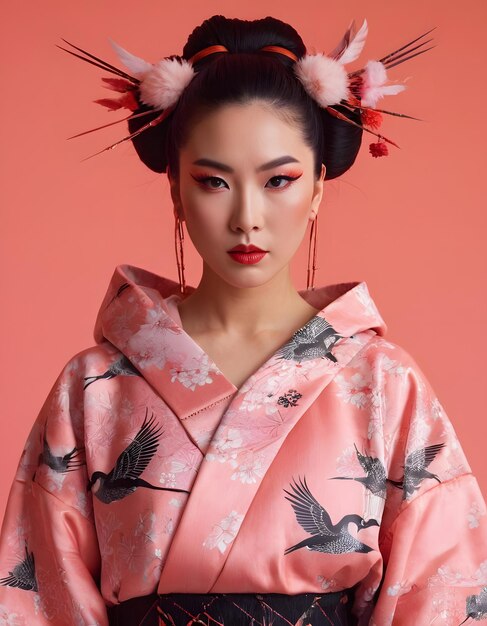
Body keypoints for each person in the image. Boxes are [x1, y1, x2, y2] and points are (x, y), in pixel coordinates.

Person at [0, 13, 486, 626]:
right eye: (213, 182)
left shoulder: (382, 384)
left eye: (279, 180)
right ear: (174, 187)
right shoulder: (96, 386)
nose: (247, 217)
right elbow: (38, 600)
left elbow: (440, 591)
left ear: (316, 189)